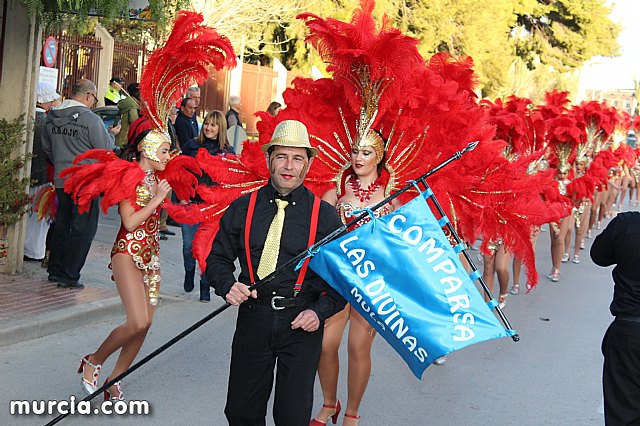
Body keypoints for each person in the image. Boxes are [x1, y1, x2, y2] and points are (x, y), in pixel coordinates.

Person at [206, 119, 346, 426]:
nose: (288, 165)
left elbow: (341, 282)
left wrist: (319, 312)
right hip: (254, 319)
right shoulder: (243, 208)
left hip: (300, 324)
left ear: (308, 164)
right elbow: (216, 259)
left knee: (292, 417)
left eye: (298, 158)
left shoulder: (323, 216)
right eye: (281, 156)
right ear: (270, 159)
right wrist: (227, 284)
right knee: (242, 412)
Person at [71, 125, 172, 401]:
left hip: (152, 258)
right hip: (127, 253)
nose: (168, 156)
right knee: (137, 320)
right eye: (163, 150)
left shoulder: (156, 179)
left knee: (146, 323)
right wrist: (158, 199)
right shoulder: (128, 176)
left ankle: (115, 379)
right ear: (146, 148)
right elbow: (129, 222)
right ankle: (93, 360)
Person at [313, 129, 400, 426]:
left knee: (357, 347)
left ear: (380, 156)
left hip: (371, 282)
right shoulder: (336, 188)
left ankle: (351, 412)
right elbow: (318, 236)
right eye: (355, 151)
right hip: (337, 281)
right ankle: (328, 403)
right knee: (326, 344)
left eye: (366, 152)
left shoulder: (392, 195)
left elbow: (401, 243)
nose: (358, 158)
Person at [41, 78, 121, 288]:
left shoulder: (52, 117)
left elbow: (47, 149)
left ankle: (55, 270)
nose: (94, 103)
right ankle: (69, 276)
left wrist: (60, 163)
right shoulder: (90, 119)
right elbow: (105, 149)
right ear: (88, 95)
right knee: (82, 229)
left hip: (61, 178)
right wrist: (112, 135)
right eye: (94, 98)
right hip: (86, 181)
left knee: (62, 224)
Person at [591, 211, 640, 425]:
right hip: (629, 330)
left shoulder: (627, 224)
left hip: (629, 331)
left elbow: (599, 256)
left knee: (623, 414)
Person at [180, 110, 234, 301]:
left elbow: (232, 182)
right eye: (207, 124)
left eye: (213, 125)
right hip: (190, 204)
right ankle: (188, 270)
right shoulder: (192, 146)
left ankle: (205, 286)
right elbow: (179, 172)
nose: (209, 128)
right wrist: (181, 195)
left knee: (206, 249)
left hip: (213, 209)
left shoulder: (227, 152)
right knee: (188, 246)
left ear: (221, 128)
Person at [24, 82, 60, 261]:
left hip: (26, 174)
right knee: (39, 217)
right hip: (43, 175)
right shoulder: (47, 123)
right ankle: (34, 251)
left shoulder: (25, 117)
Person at [115, 83, 141, 148]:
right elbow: (135, 123)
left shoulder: (127, 103)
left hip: (119, 139)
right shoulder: (132, 106)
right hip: (125, 142)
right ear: (137, 93)